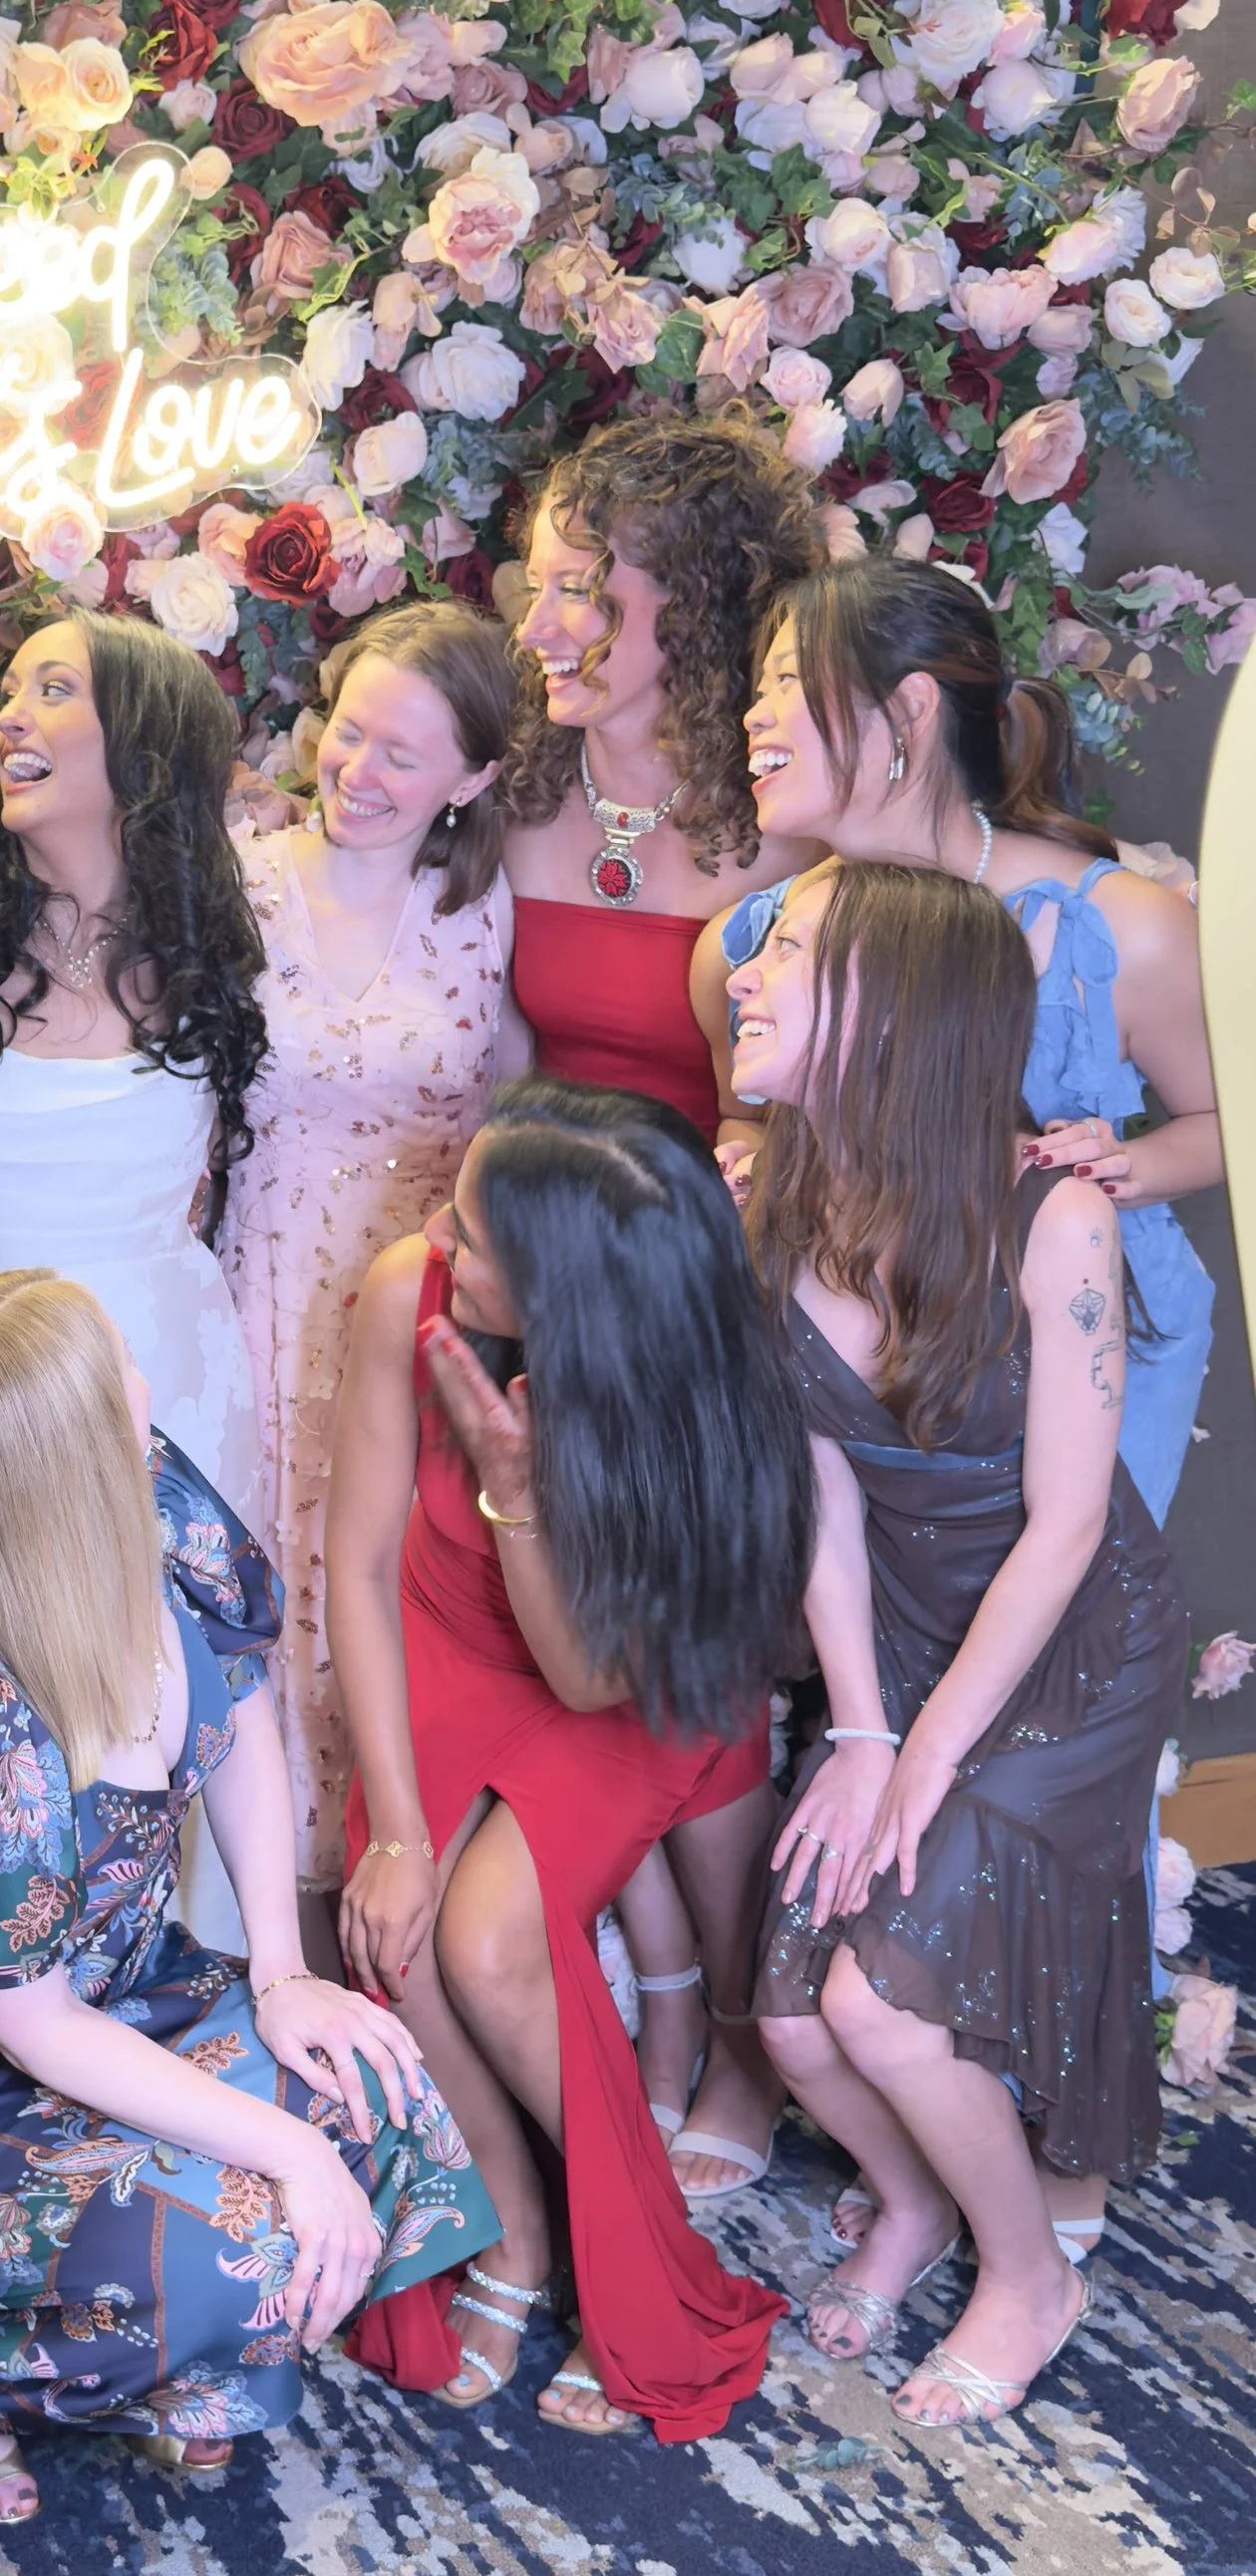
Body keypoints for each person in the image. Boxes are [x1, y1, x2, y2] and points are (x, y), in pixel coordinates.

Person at [0, 1273, 499, 2498]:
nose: (145, 1388)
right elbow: (40, 2035)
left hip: (139, 1986)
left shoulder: (154, 1496)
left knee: (374, 2086)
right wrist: (288, 2159)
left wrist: (284, 1972)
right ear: (76, 1455)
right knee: (253, 2225)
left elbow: (240, 1711)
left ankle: (193, 2368)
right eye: (119, 1375)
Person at [735, 861, 1189, 2428]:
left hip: (1075, 1647)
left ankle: (1026, 2273)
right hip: (904, 1646)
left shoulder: (1051, 1214)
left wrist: (923, 1762)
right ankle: (912, 2205)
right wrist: (860, 1732)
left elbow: (1065, 1530)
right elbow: (823, 1497)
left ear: (884, 1005)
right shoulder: (777, 1201)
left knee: (875, 2004)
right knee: (793, 2013)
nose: (742, 973)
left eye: (781, 950)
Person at [325, 1079, 811, 2440]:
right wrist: (400, 1833)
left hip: (620, 1678)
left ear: (575, 1299)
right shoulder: (406, 1293)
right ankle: (511, 2228)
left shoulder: (671, 1383)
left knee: (489, 1944)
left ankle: (633, 2274)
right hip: (440, 1633)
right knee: (396, 1931)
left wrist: (515, 1492)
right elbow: (356, 1571)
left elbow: (589, 1674)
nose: (441, 1238)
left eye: (477, 1234)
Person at [502, 410, 828, 2200]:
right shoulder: (531, 786)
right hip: (538, 1282)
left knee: (703, 1687)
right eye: (544, 583)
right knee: (562, 1668)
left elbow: (800, 1136)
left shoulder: (784, 830)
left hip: (706, 1312)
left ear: (691, 624)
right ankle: (659, 2000)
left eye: (583, 593)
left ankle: (751, 2046)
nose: (543, 624)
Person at [696, 551, 1219, 1525]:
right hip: (859, 1358)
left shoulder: (1123, 930)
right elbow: (745, 1115)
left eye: (780, 686)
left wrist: (1122, 1166)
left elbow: (1230, 1120)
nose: (751, 717)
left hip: (1087, 1349)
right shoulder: (744, 948)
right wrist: (749, 1163)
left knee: (1056, 1656)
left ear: (907, 713)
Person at [222, 600, 527, 1950]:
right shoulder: (238, 878)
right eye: (351, 734)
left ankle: (394, 1862)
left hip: (421, 1306)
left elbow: (637, 883)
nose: (361, 772)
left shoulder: (498, 904)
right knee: (261, 1561)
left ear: (470, 779)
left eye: (407, 755)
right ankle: (254, 1891)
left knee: (396, 1571)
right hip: (258, 1281)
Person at [0, 610, 269, 1532]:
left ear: (144, 747)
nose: (12, 718)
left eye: (55, 689)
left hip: (172, 1393)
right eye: (10, 693)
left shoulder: (212, 952)